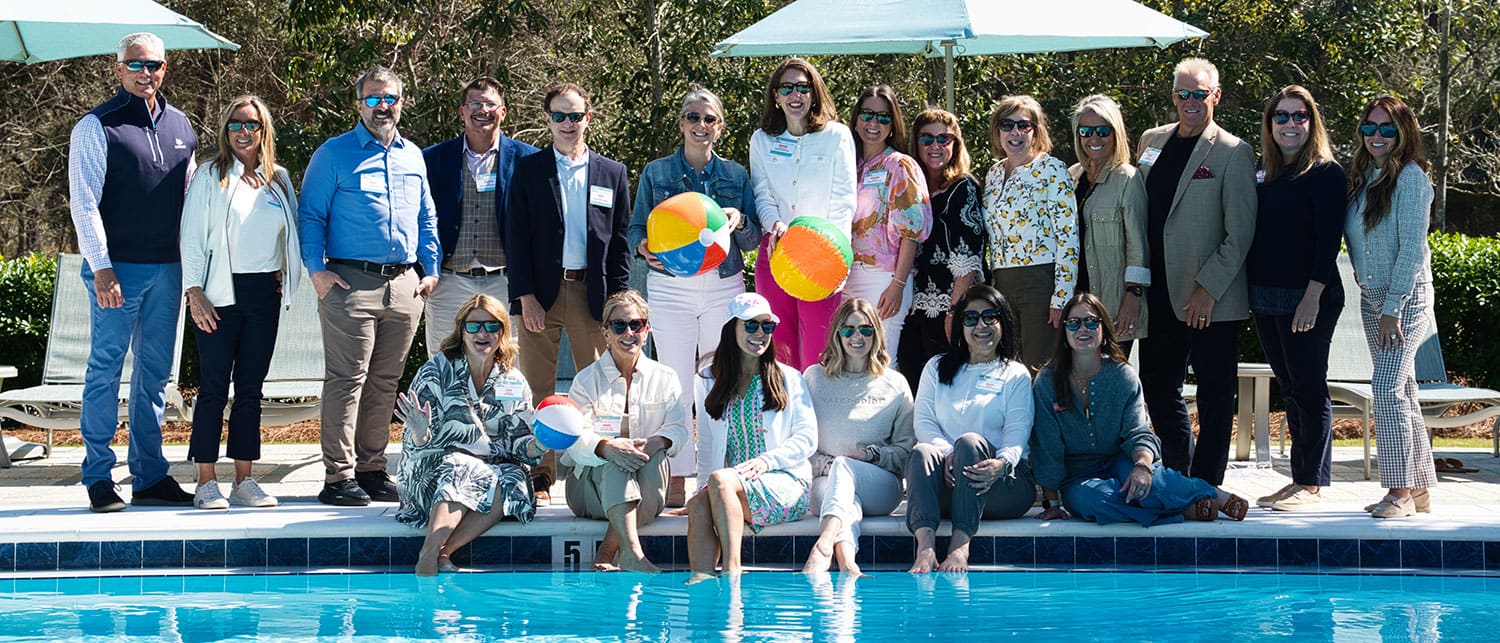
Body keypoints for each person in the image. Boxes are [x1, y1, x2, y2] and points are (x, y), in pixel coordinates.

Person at [299, 66, 441, 506]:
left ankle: (372, 468)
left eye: (391, 98)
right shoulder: (333, 154)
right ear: (359, 104)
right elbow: (311, 217)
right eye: (374, 98)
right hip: (349, 282)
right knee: (347, 379)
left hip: (404, 284)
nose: (383, 106)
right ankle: (337, 477)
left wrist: (430, 268)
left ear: (402, 102)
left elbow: (427, 217)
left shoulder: (412, 155)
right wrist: (316, 271)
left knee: (385, 380)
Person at [68, 32, 198, 511]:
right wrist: (100, 267)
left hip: (168, 269)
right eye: (137, 65)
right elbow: (83, 201)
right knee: (104, 371)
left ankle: (148, 475)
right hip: (116, 270)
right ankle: (98, 477)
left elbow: (190, 203)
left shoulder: (183, 125)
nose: (147, 73)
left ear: (166, 69)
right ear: (119, 68)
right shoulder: (96, 125)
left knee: (155, 376)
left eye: (155, 65)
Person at [629, 88, 760, 506]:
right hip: (671, 287)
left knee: (721, 379)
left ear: (719, 126)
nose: (700, 126)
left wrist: (739, 223)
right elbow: (635, 232)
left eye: (709, 119)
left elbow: (754, 237)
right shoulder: (655, 173)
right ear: (682, 123)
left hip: (723, 283)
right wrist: (645, 248)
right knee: (676, 381)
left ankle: (714, 474)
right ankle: (680, 474)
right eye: (692, 117)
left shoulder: (737, 176)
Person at [507, 82, 632, 506]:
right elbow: (516, 238)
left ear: (588, 118)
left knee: (599, 386)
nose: (567, 123)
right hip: (541, 294)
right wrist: (524, 296)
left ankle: (594, 469)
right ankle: (542, 477)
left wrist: (617, 302)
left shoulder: (612, 173)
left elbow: (618, 243)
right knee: (539, 386)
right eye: (559, 115)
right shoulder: (528, 170)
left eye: (574, 115)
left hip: (591, 295)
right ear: (547, 119)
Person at [1135, 58, 1256, 486]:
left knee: (1215, 393)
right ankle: (1178, 473)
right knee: (1157, 387)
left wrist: (1208, 289)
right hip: (1158, 293)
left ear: (1215, 96)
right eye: (1183, 93)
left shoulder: (1233, 151)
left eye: (1199, 93)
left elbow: (1239, 234)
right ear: (1173, 97)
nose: (1190, 101)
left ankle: (1207, 482)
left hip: (1210, 300)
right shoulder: (1151, 141)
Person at [1030, 293, 1249, 526]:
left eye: (1092, 321)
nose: (1083, 329)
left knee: (1151, 484)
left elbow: (1138, 432)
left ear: (1103, 329)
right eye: (1073, 323)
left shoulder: (1122, 375)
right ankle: (1182, 510)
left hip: (1121, 459)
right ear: (1064, 333)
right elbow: (1047, 446)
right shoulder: (1047, 381)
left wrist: (1142, 467)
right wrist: (1052, 503)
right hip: (1077, 475)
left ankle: (1208, 491)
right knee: (1095, 502)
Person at [179, 95, 302, 510]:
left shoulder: (279, 178)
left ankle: (244, 479)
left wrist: (286, 271)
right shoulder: (209, 176)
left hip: (263, 293)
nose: (243, 132)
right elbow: (192, 236)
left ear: (264, 130)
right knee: (214, 386)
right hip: (217, 293)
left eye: (252, 124)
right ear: (225, 130)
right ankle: (206, 481)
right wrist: (193, 291)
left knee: (251, 388)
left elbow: (291, 234)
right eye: (236, 124)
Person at [394, 294, 554, 575]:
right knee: (462, 465)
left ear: (502, 332)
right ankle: (429, 552)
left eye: (492, 326)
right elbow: (417, 445)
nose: (483, 333)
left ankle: (444, 553)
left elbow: (519, 444)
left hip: (488, 474)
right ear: (461, 330)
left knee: (514, 478)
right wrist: (420, 434)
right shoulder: (437, 371)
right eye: (474, 326)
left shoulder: (513, 381)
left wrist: (540, 443)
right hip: (432, 473)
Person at [1247, 86, 1346, 511]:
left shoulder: (1325, 173)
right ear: (1270, 125)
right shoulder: (1263, 172)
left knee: (1307, 386)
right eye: (1282, 117)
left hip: (1309, 297)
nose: (1291, 124)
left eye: (1299, 116)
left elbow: (1328, 242)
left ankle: (1310, 482)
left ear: (1312, 122)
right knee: (1289, 386)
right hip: (1266, 297)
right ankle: (1298, 478)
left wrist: (1312, 298)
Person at [1344, 95, 1439, 519]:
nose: (1376, 136)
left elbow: (1413, 252)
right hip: (1373, 296)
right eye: (1369, 127)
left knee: (1385, 388)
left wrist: (1393, 308)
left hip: (1404, 299)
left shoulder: (1412, 179)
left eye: (1386, 129)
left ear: (1404, 133)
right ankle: (1418, 489)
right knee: (1403, 390)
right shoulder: (1364, 175)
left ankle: (1399, 491)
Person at [686, 293, 818, 582]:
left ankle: (732, 571)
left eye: (767, 327)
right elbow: (708, 443)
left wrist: (766, 462)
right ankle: (701, 582)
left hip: (784, 481)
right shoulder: (707, 380)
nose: (760, 333)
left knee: (721, 481)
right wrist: (700, 488)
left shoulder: (790, 378)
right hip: (730, 487)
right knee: (698, 503)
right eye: (751, 326)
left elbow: (808, 438)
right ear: (731, 328)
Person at [907, 285, 1035, 573]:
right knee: (923, 451)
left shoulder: (1014, 374)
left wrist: (1001, 465)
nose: (981, 325)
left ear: (1004, 322)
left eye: (991, 316)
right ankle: (925, 548)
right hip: (949, 486)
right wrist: (947, 454)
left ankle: (959, 546)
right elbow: (923, 422)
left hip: (1003, 485)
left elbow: (1017, 434)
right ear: (960, 326)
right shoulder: (936, 368)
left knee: (969, 443)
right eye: (971, 318)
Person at [564, 290, 693, 572]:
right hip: (589, 491)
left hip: (647, 482)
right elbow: (575, 440)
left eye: (636, 324)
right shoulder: (585, 380)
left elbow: (679, 431)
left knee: (648, 454)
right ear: (605, 332)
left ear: (646, 330)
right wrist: (607, 448)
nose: (629, 332)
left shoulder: (666, 377)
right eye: (619, 325)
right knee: (616, 457)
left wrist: (656, 441)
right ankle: (630, 552)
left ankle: (610, 549)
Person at [749, 57, 858, 370]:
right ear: (776, 96)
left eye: (803, 87)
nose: (795, 95)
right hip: (776, 252)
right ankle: (782, 414)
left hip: (822, 257)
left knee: (818, 350)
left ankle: (817, 419)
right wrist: (776, 225)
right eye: (787, 88)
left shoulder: (836, 136)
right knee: (777, 348)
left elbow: (843, 200)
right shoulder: (761, 140)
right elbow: (762, 194)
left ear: (814, 94)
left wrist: (838, 260)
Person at [421, 76, 539, 355]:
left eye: (490, 104)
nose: (482, 110)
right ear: (462, 111)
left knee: (510, 366)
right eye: (475, 103)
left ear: (503, 112)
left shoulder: (529, 161)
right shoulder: (432, 159)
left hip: (506, 282)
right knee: (443, 363)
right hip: (448, 281)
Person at [801, 298, 915, 576]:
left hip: (881, 486)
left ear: (876, 334)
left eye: (865, 330)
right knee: (844, 493)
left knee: (845, 469)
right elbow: (800, 445)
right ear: (837, 334)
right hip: (824, 484)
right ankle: (848, 561)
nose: (856, 337)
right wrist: (830, 466)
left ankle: (824, 544)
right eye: (848, 330)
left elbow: (906, 451)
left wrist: (873, 455)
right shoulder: (813, 379)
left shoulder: (895, 383)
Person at [981, 95, 1079, 370]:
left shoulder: (1052, 170)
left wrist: (1062, 297)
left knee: (1039, 367)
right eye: (1007, 124)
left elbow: (1068, 238)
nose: (1015, 132)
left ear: (1036, 130)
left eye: (1024, 125)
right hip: (1001, 282)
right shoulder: (994, 174)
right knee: (1008, 367)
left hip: (1040, 282)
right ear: (997, 130)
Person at [897, 109, 986, 393]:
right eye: (927, 138)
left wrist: (955, 313)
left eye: (943, 139)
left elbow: (968, 255)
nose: (935, 146)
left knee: (948, 384)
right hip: (913, 303)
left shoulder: (963, 187)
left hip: (948, 303)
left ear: (955, 143)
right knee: (912, 381)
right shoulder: (911, 187)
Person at [846, 85, 932, 359]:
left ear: (893, 124)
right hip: (844, 276)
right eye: (867, 114)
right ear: (856, 118)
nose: (874, 123)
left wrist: (897, 285)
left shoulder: (900, 165)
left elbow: (912, 233)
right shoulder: (847, 165)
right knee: (849, 364)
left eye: (883, 117)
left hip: (884, 278)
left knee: (881, 362)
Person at [1067, 95, 1150, 353]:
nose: (1094, 138)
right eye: (1086, 131)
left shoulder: (1128, 178)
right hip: (1075, 303)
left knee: (1110, 377)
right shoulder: (1072, 176)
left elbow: (1138, 245)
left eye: (1103, 131)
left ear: (1116, 133)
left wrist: (1133, 295)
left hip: (1113, 302)